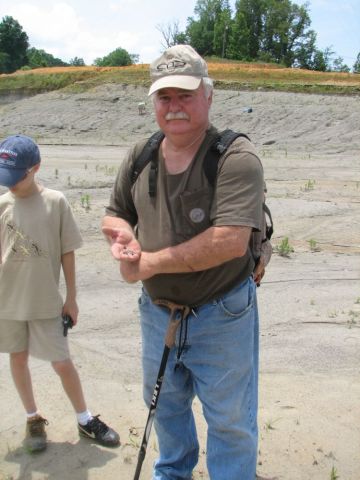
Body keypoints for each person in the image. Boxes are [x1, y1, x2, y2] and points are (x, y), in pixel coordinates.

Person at [102, 45, 265, 480]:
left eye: (185, 95)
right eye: (164, 97)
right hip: (156, 315)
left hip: (222, 314)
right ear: (153, 102)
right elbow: (116, 211)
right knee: (165, 409)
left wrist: (149, 263)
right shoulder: (141, 154)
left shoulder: (236, 157)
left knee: (230, 421)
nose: (174, 107)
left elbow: (230, 242)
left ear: (208, 95)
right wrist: (124, 238)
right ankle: (172, 473)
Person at [0, 134, 120, 453]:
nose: (9, 183)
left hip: (45, 302)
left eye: (16, 176)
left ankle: (85, 419)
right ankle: (32, 418)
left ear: (36, 168)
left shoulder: (56, 201)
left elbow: (68, 251)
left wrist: (72, 297)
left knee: (62, 362)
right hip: (7, 302)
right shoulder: (2, 204)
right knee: (18, 357)